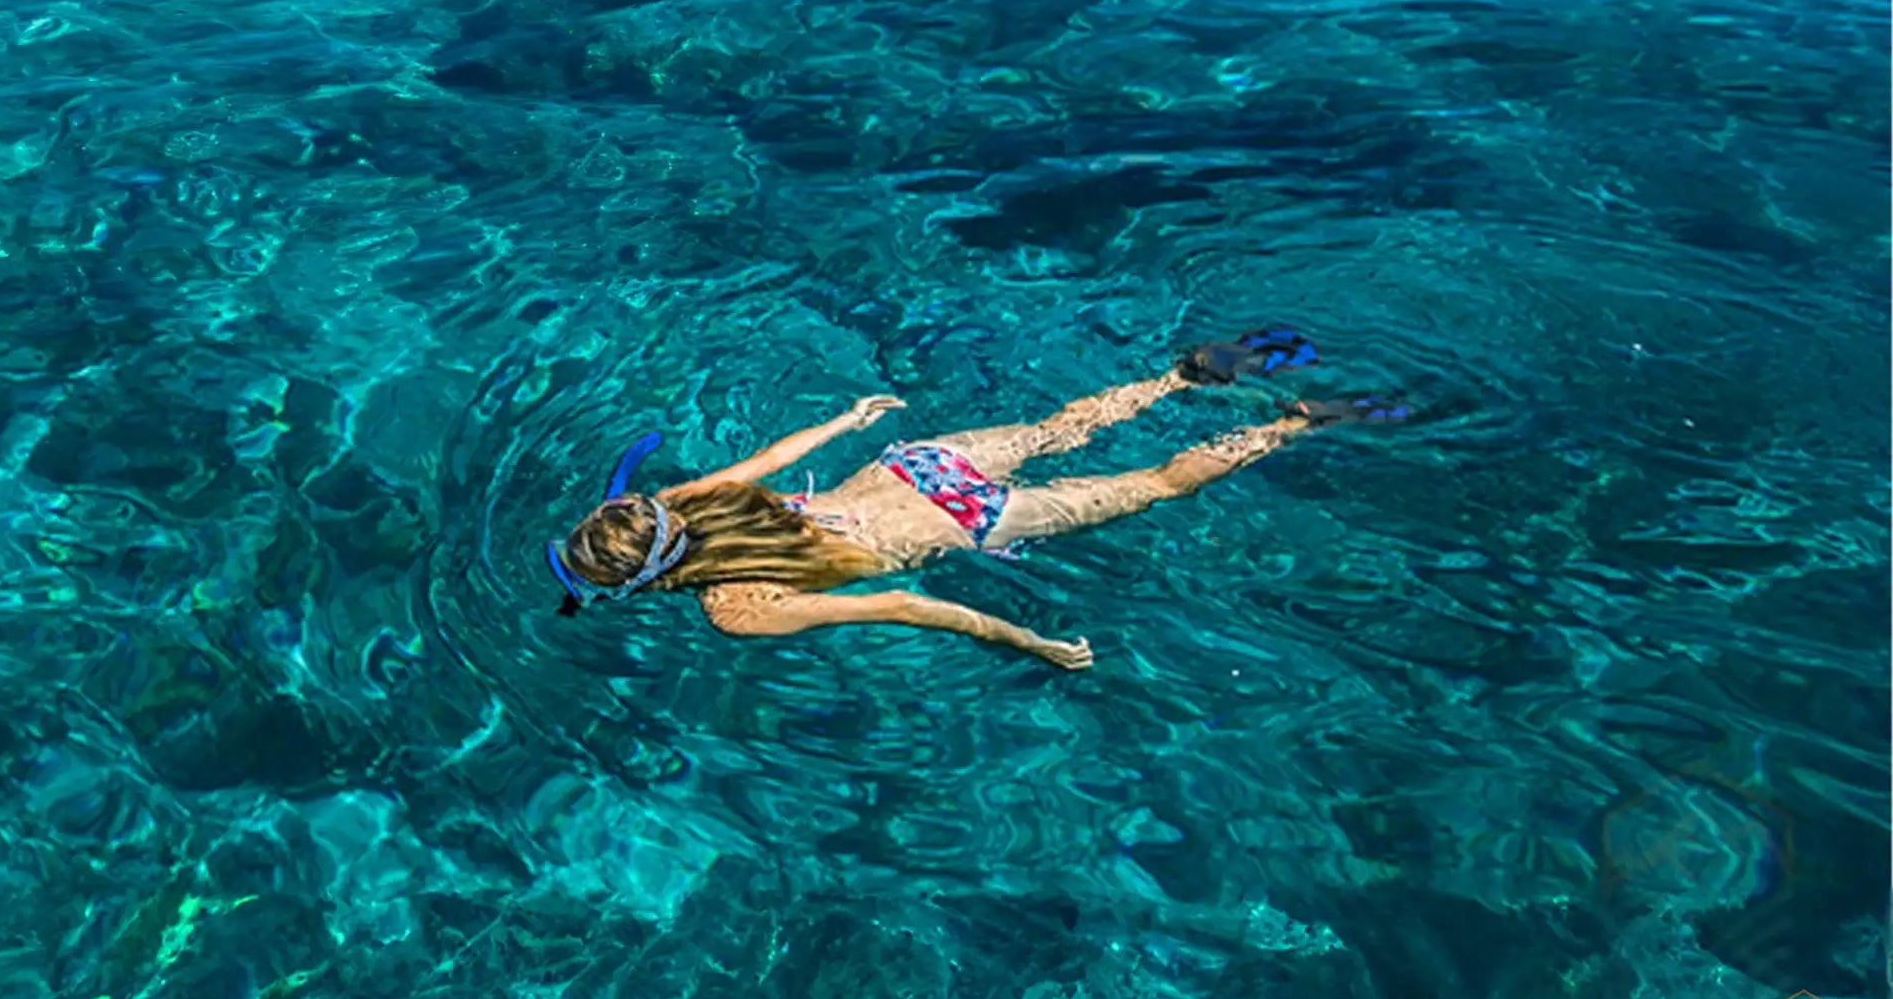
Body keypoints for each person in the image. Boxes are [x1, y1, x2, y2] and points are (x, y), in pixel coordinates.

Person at [546, 330, 1406, 670]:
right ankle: (1181, 377)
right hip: (913, 467)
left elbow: (903, 607)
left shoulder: (737, 608)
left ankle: (1292, 427)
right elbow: (778, 455)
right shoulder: (683, 500)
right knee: (1058, 429)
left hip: (962, 523)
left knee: (1154, 485)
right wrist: (850, 415)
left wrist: (1032, 643)